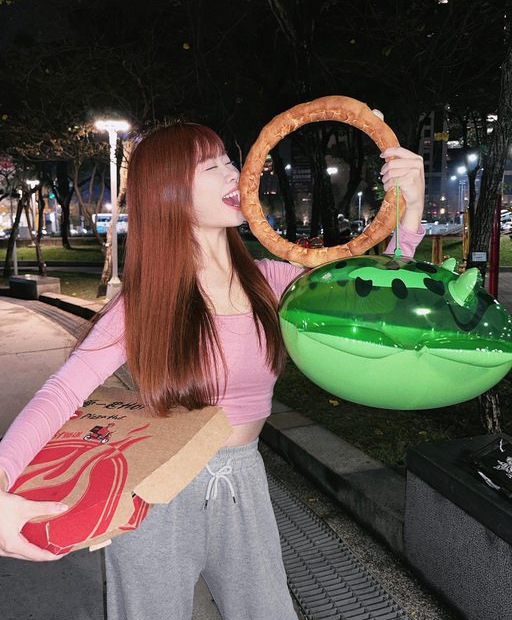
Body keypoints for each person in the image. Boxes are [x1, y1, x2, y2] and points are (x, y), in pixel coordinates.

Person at [0, 124, 424, 619]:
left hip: (245, 479)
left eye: (228, 159)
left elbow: (378, 302)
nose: (234, 173)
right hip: (156, 486)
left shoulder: (273, 281)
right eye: (212, 165)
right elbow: (62, 391)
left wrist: (409, 211)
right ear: (170, 194)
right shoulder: (145, 305)